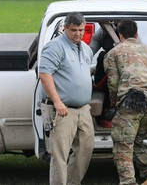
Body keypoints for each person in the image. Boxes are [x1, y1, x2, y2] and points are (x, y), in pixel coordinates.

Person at [39, 12, 95, 185]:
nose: (78, 33)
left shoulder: (86, 48)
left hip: (83, 109)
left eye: (81, 30)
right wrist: (57, 102)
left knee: (85, 151)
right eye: (73, 30)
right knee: (60, 155)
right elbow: (44, 74)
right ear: (65, 28)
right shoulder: (55, 47)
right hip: (62, 109)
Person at [105, 19, 147, 184]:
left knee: (123, 145)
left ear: (120, 35)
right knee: (137, 140)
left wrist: (114, 105)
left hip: (129, 104)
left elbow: (113, 83)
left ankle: (128, 182)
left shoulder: (114, 53)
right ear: (136, 33)